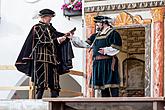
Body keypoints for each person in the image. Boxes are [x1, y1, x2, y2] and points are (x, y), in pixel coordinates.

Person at [15, 9, 74, 99]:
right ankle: (37, 102)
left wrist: (65, 36)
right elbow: (42, 41)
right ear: (43, 17)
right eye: (49, 17)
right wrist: (58, 40)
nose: (50, 19)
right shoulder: (37, 27)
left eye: (51, 17)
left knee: (54, 83)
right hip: (41, 58)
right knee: (41, 82)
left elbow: (56, 35)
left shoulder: (50, 28)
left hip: (53, 59)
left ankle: (55, 103)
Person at [71, 16, 122, 97]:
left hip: (108, 63)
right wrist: (72, 38)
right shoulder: (95, 36)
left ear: (104, 23)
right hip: (97, 63)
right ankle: (105, 106)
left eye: (98, 23)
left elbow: (117, 47)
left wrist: (106, 50)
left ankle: (116, 105)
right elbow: (85, 44)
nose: (97, 25)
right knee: (102, 87)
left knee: (112, 85)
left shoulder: (113, 33)